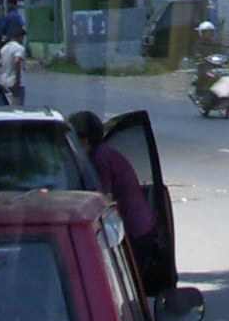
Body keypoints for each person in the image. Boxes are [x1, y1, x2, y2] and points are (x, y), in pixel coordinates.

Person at [69, 111, 162, 284]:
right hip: (140, 226)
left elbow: (100, 200)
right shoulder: (104, 153)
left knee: (128, 283)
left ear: (85, 141)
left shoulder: (98, 160)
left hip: (134, 230)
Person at [0, 25, 27, 104]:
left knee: (7, 104)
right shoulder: (19, 48)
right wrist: (17, 79)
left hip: (4, 81)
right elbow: (17, 61)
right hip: (14, 82)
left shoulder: (4, 48)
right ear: (20, 37)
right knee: (17, 106)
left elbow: (0, 63)